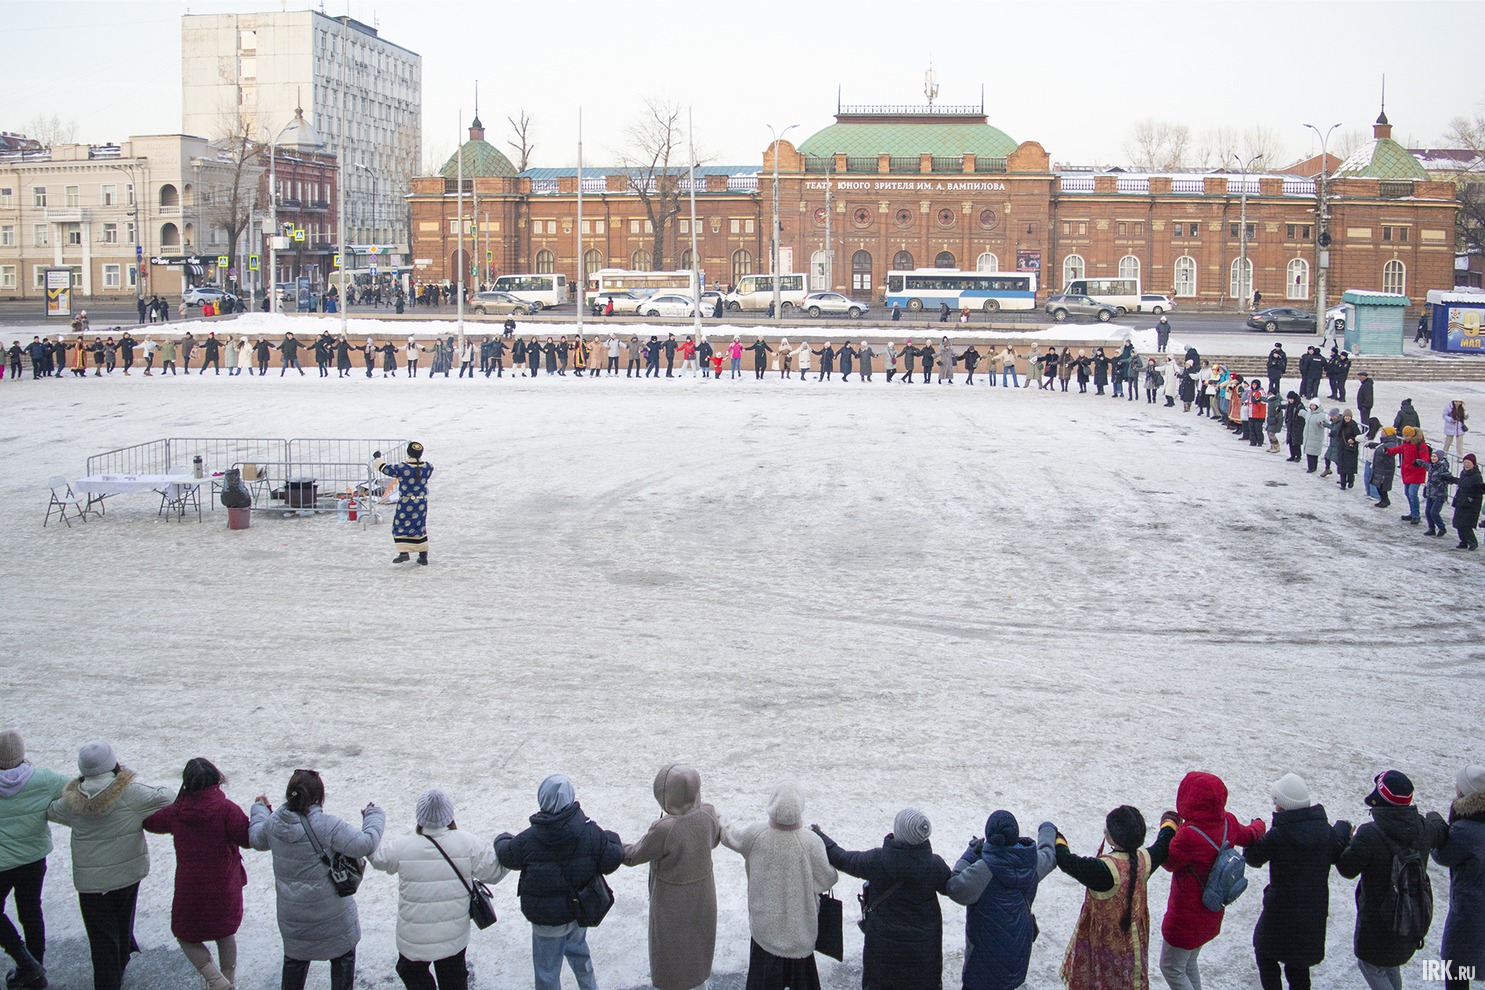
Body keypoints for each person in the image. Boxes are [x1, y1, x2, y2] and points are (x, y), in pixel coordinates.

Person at [45, 742, 172, 990]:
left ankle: (109, 980)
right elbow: (168, 796)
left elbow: (51, 811)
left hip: (91, 884)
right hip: (127, 875)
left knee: (101, 938)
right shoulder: (131, 793)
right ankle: (120, 965)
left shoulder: (72, 801)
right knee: (123, 922)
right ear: (112, 763)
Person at [249, 770, 385, 990]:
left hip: (293, 918)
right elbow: (366, 844)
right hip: (333, 917)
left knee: (295, 961)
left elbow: (256, 839)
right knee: (343, 957)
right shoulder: (327, 825)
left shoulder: (274, 823)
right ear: (318, 796)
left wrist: (259, 809)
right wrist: (373, 815)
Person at [368, 789, 507, 990]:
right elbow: (494, 872)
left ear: (420, 817)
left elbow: (376, 857)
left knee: (413, 974)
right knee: (453, 981)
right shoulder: (467, 843)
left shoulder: (403, 847)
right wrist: (507, 845)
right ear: (450, 815)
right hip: (453, 939)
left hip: (413, 940)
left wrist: (372, 819)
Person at [495, 775, 623, 990]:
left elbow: (506, 855)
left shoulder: (528, 839)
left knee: (547, 972)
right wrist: (611, 838)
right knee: (581, 956)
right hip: (579, 912)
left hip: (546, 919)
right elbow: (611, 860)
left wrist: (502, 839)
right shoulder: (590, 831)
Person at [813, 808, 965, 990]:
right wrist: (970, 858)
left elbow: (842, 859)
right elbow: (953, 887)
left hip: (883, 948)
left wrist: (818, 835)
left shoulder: (877, 861)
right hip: (923, 950)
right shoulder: (935, 865)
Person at [142, 759, 251, 990]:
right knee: (225, 933)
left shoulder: (177, 812)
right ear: (216, 779)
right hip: (224, 887)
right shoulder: (227, 810)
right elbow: (248, 837)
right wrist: (263, 811)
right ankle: (227, 981)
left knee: (185, 936)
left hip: (190, 890)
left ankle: (216, 981)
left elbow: (150, 822)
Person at [1337, 770, 1449, 990]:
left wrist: (1348, 841)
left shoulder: (1369, 835)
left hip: (1376, 924)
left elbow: (1346, 868)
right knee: (1389, 965)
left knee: (1371, 965)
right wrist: (1433, 814)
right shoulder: (1423, 828)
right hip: (1409, 919)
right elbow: (1441, 830)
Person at [721, 782, 837, 990]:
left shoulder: (755, 834)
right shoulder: (811, 841)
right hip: (800, 935)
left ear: (772, 803)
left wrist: (719, 817)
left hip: (765, 932)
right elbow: (827, 880)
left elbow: (729, 836)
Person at [1051, 805, 1179, 990]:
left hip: (1104, 940)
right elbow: (1164, 842)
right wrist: (1169, 822)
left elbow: (1067, 861)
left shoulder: (1104, 870)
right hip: (1133, 938)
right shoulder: (1146, 859)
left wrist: (1057, 839)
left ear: (1113, 838)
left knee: (1102, 979)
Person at [1243, 774, 1351, 990]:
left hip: (1279, 912)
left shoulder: (1278, 835)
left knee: (1265, 954)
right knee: (1298, 967)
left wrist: (1253, 832)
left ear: (1283, 805)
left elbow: (1253, 857)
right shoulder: (1324, 830)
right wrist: (1343, 828)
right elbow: (1337, 849)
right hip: (1312, 915)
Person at [1159, 771, 1266, 990]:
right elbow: (1249, 835)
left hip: (1184, 919)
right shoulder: (1228, 822)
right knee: (1188, 963)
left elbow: (1168, 861)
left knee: (1171, 967)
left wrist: (1168, 827)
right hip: (1211, 911)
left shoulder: (1189, 835)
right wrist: (1259, 825)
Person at [621, 766, 721, 990]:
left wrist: (611, 844)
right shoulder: (708, 812)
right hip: (703, 894)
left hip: (671, 902)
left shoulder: (665, 828)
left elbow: (634, 855)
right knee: (698, 947)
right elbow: (713, 840)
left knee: (671, 954)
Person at [950, 811, 1057, 990]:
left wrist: (969, 855)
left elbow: (954, 887)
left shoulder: (984, 870)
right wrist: (1047, 829)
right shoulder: (1031, 863)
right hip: (1018, 949)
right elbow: (1049, 856)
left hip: (983, 960)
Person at [0, 731, 67, 990]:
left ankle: (27, 964)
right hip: (34, 859)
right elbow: (78, 788)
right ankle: (36, 973)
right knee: (31, 910)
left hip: (2, 864)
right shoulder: (43, 779)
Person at [1432, 765, 1485, 990]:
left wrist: (1439, 830)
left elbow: (1442, 855)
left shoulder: (1464, 830)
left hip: (1469, 912)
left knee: (1456, 968)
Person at [374, 443, 433, 566]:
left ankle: (404, 552)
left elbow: (384, 468)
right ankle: (423, 556)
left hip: (406, 502)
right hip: (421, 502)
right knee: (420, 526)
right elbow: (422, 468)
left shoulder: (403, 468)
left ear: (408, 453)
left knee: (400, 525)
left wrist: (377, 458)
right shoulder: (428, 467)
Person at [1444, 452, 1483, 550]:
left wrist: (1471, 499)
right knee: (1458, 524)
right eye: (1465, 462)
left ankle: (1472, 542)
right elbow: (1461, 483)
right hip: (1461, 501)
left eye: (1468, 462)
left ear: (1473, 464)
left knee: (1466, 525)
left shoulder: (1476, 476)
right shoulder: (1464, 473)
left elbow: (1479, 490)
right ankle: (1463, 542)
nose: (1466, 464)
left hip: (1470, 505)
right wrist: (1451, 479)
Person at [1336, 410, 1362, 490]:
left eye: (1349, 416)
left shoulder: (1353, 425)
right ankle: (1343, 484)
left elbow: (1358, 437)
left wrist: (1353, 440)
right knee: (1342, 468)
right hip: (1342, 449)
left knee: (1349, 468)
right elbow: (1338, 434)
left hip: (1350, 450)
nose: (1347, 418)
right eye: (1346, 416)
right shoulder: (1341, 424)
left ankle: (1351, 480)